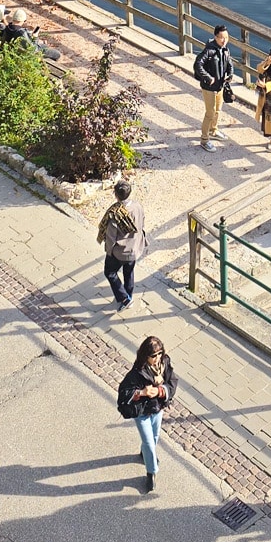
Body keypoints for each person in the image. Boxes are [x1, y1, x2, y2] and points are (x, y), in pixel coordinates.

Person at [117, 333, 175, 491]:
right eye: (153, 355)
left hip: (157, 409)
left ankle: (145, 454)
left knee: (154, 437)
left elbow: (172, 382)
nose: (157, 358)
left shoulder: (164, 363)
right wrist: (142, 392)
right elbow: (124, 392)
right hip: (142, 412)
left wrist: (161, 391)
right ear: (146, 355)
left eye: (159, 354)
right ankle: (151, 472)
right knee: (149, 442)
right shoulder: (137, 372)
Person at [95, 177, 146, 310]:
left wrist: (109, 251)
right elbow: (142, 223)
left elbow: (110, 236)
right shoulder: (137, 206)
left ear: (116, 195)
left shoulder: (115, 213)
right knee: (129, 273)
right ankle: (128, 295)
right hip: (134, 248)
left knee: (110, 272)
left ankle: (124, 299)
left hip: (119, 252)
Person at [193, 24, 234, 151]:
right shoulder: (209, 50)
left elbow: (230, 64)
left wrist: (230, 74)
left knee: (218, 110)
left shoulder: (225, 50)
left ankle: (213, 130)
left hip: (220, 86)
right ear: (216, 37)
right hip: (209, 87)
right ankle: (204, 139)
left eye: (226, 37)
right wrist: (208, 77)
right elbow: (198, 65)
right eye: (221, 37)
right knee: (210, 113)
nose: (224, 40)